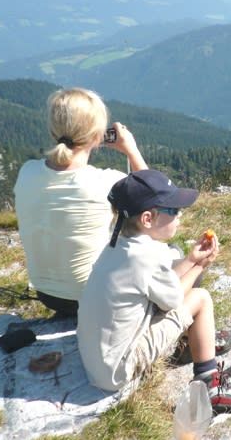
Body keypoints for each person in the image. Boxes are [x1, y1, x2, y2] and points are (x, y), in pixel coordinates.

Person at [77, 169, 231, 411]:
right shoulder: (144, 257)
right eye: (173, 211)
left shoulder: (117, 246)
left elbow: (161, 282)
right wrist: (200, 265)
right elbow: (173, 299)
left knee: (184, 288)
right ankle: (210, 387)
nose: (180, 215)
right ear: (147, 219)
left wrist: (191, 259)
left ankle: (193, 342)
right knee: (200, 299)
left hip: (96, 360)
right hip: (119, 370)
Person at [14, 87, 148, 316]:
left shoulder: (27, 172)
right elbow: (153, 200)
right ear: (98, 136)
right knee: (173, 255)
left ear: (53, 130)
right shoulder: (105, 182)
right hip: (94, 294)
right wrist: (131, 151)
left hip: (47, 294)